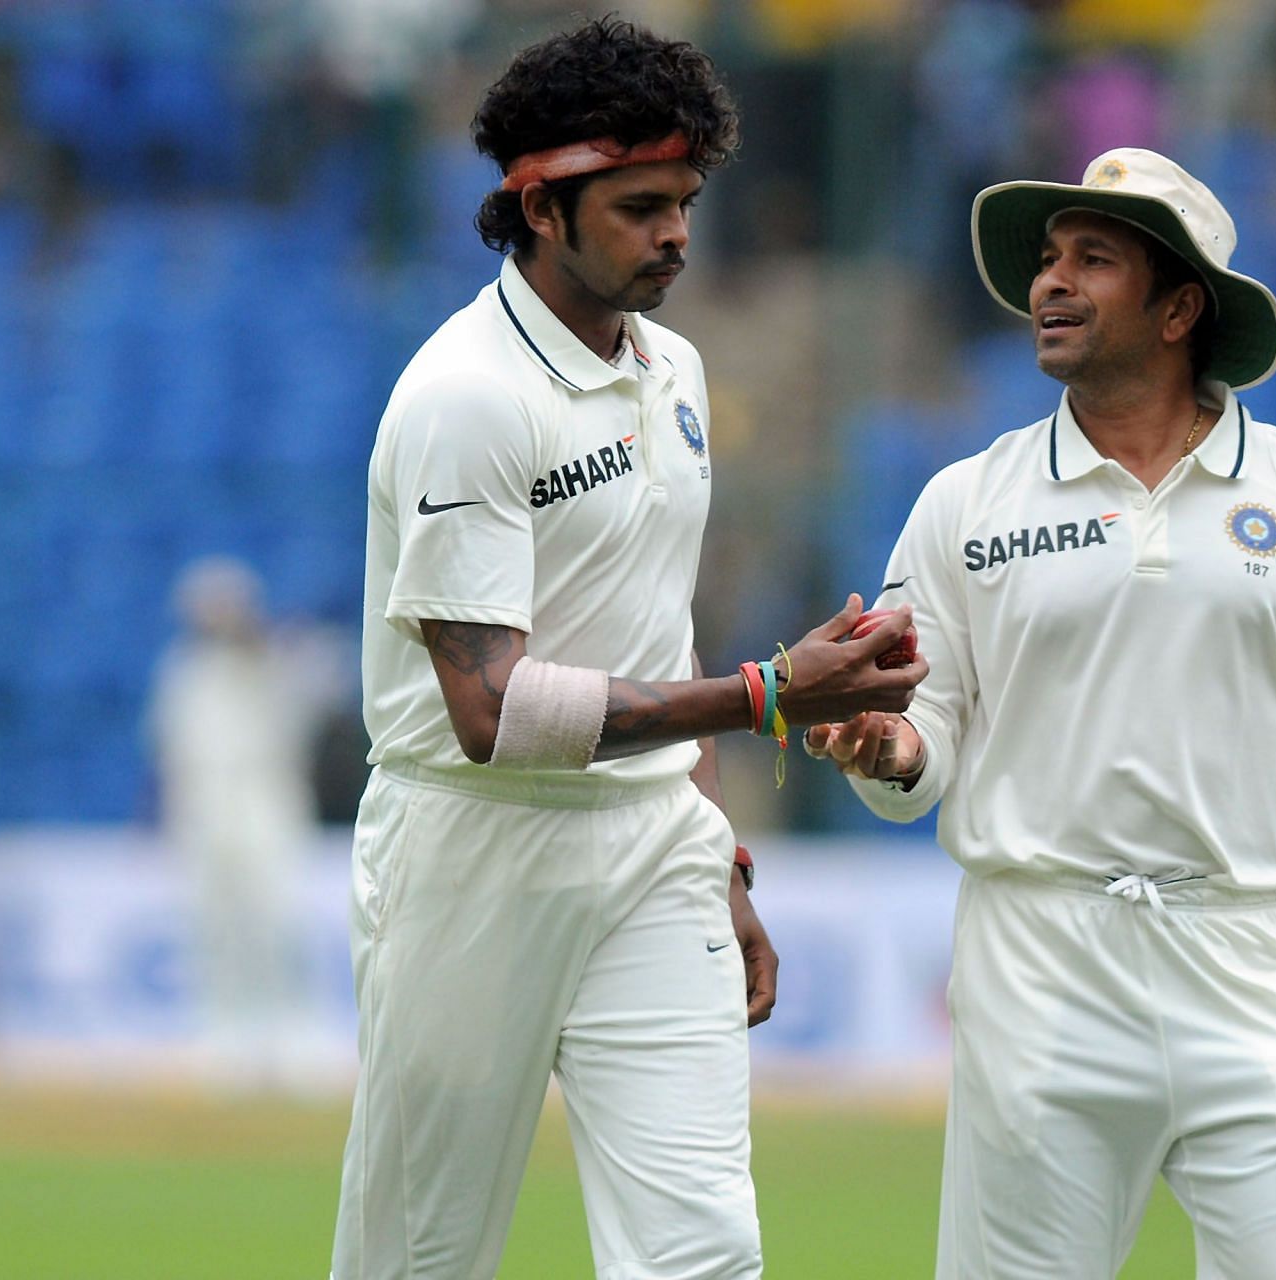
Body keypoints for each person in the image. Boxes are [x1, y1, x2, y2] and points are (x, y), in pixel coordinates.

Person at [808, 148, 1276, 1278]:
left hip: (1254, 961)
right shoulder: (963, 500)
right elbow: (921, 737)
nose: (1051, 284)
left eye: (1094, 258)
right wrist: (882, 744)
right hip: (1042, 970)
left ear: (1181, 307)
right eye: (1047, 260)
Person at [330, 18, 924, 1280]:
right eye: (642, 206)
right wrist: (765, 695)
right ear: (539, 207)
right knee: (421, 1254)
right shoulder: (464, 397)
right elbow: (491, 710)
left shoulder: (679, 370)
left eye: (687, 201)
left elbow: (657, 629)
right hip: (472, 845)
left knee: (701, 1247)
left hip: (654, 843)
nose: (677, 235)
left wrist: (711, 847)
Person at [148, 557, 320, 1086]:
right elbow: (169, 748)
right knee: (216, 928)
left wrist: (256, 646)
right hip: (205, 808)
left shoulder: (271, 660)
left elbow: (302, 713)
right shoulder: (182, 670)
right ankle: (223, 1036)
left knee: (276, 921)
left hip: (263, 801)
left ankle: (293, 1036)